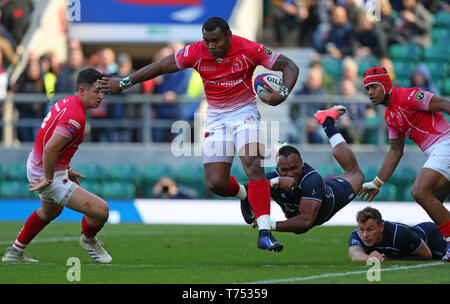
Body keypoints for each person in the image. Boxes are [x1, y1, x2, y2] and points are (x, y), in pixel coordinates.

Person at [97, 16, 300, 252]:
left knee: (253, 163)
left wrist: (282, 92)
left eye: (215, 40)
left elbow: (289, 66)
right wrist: (123, 83)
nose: (210, 45)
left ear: (228, 36)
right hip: (216, 117)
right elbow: (161, 66)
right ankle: (245, 194)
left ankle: (265, 231)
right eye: (206, 40)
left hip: (244, 112)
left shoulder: (249, 49)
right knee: (216, 183)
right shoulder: (195, 52)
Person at [2, 68, 112, 264]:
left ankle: (14, 252)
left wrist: (66, 170)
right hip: (46, 169)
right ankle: (88, 240)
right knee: (101, 211)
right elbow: (50, 149)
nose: (101, 96)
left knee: (49, 212)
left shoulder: (67, 102)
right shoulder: (75, 116)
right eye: (97, 91)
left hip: (39, 165)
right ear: (82, 90)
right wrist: (50, 177)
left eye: (103, 91)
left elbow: (50, 144)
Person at [360, 66, 450, 262]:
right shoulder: (389, 116)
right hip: (437, 151)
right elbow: (395, 151)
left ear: (385, 84)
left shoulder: (409, 95)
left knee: (419, 191)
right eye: (367, 89)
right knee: (434, 199)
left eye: (374, 87)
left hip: (446, 143)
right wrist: (377, 182)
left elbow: (443, 104)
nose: (370, 93)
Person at [240, 105, 364, 237]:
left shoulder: (312, 179)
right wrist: (273, 182)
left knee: (355, 174)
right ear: (278, 168)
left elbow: (305, 223)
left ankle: (327, 122)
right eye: (284, 170)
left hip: (333, 195)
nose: (290, 173)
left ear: (302, 164)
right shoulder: (273, 177)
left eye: (294, 168)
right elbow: (246, 191)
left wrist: (268, 225)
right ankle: (326, 119)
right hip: (305, 199)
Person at [348, 207, 447, 261]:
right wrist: (369, 258)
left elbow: (427, 255)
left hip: (434, 238)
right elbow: (355, 254)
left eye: (370, 229)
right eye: (361, 229)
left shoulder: (400, 234)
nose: (365, 235)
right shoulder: (357, 235)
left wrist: (389, 259)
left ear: (381, 227)